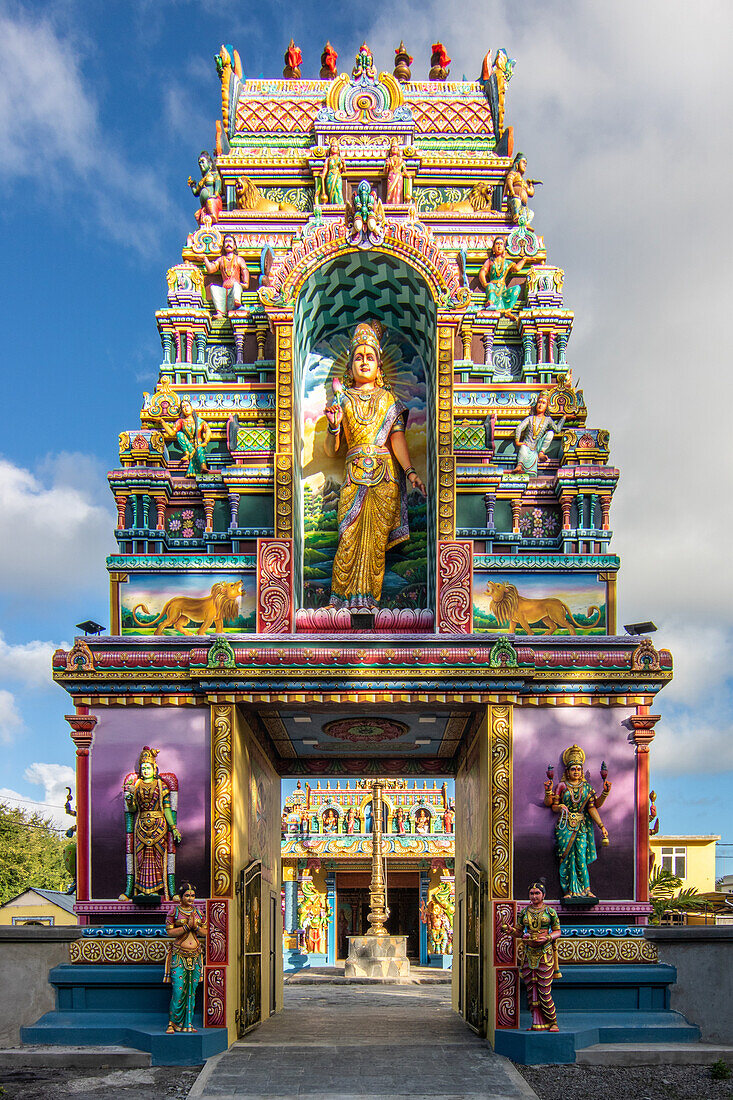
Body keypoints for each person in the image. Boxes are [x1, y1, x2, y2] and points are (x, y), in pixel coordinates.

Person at [324, 320, 426, 610]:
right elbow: (332, 449)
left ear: (380, 366)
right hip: (353, 474)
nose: (364, 362)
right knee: (348, 534)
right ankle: (339, 600)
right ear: (350, 365)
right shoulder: (342, 399)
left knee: (376, 544)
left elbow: (397, 440)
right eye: (358, 357)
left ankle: (369, 601)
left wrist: (411, 472)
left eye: (370, 357)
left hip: (384, 477)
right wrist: (334, 426)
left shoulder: (388, 400)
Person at [544, 744, 611, 898]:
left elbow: (593, 807)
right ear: (568, 771)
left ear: (581, 771)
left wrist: (601, 826)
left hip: (581, 827)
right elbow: (552, 805)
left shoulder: (587, 788)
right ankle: (568, 890)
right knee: (566, 857)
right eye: (573, 769)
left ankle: (586, 889)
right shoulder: (561, 786)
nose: (576, 772)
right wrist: (560, 807)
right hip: (564, 827)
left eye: (579, 769)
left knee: (580, 856)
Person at [120, 747, 180, 902]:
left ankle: (158, 890)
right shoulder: (136, 785)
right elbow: (133, 809)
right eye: (143, 767)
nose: (146, 770)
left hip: (159, 825)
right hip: (140, 825)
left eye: (148, 767)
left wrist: (173, 828)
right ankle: (141, 891)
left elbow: (167, 809)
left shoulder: (162, 786)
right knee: (141, 857)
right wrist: (129, 800)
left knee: (158, 858)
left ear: (155, 769)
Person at [501, 882, 562, 1031]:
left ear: (543, 895)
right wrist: (511, 931)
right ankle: (537, 1022)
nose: (534, 896)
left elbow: (557, 931)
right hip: (529, 954)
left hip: (545, 955)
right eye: (532, 893)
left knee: (544, 990)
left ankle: (553, 1022)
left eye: (537, 893)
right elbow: (520, 933)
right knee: (531, 989)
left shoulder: (550, 912)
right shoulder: (524, 913)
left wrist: (547, 938)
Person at [164, 883, 206, 1033]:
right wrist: (186, 927)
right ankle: (172, 1023)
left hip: (195, 955)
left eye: (193, 895)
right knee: (178, 989)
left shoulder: (199, 913)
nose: (190, 898)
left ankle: (188, 1023)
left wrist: (197, 928)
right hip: (179, 954)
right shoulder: (173, 912)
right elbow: (170, 932)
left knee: (191, 991)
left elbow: (206, 932)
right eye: (187, 895)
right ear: (180, 897)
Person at [154, 397, 212, 477]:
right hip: (188, 446)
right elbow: (172, 433)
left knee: (199, 449)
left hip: (198, 445)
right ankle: (187, 454)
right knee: (179, 434)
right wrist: (162, 422)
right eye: (183, 407)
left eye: (187, 406)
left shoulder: (199, 421)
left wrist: (205, 442)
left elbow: (208, 430)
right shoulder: (181, 422)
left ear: (191, 408)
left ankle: (203, 466)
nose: (186, 408)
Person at [513, 391, 562, 477]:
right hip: (527, 444)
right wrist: (517, 441)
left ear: (546, 406)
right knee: (523, 448)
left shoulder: (548, 420)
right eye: (539, 402)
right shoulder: (530, 418)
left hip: (537, 446)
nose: (540, 405)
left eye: (543, 403)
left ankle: (541, 453)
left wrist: (564, 418)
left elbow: (557, 429)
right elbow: (519, 428)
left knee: (551, 433)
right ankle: (519, 466)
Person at [478, 237, 528, 319]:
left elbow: (516, 268)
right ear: (493, 248)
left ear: (504, 248)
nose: (499, 246)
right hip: (493, 287)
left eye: (501, 244)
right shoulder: (490, 261)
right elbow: (483, 271)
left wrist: (524, 260)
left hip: (503, 290)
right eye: (497, 244)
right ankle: (491, 303)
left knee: (517, 288)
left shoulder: (507, 262)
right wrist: (484, 283)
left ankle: (508, 310)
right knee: (490, 286)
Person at [202, 234, 250, 318]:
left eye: (230, 241)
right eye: (226, 242)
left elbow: (244, 270)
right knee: (213, 287)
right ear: (223, 246)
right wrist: (205, 259)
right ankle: (220, 312)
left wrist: (245, 283)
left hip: (235, 286)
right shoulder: (221, 260)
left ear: (235, 246)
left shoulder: (239, 259)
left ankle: (237, 303)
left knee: (236, 285)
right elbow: (210, 269)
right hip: (224, 288)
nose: (228, 243)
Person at [188, 152, 223, 226]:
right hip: (204, 206)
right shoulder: (202, 181)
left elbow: (218, 184)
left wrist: (215, 194)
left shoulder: (214, 175)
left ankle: (212, 219)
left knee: (210, 203)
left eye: (203, 162)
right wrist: (192, 185)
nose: (201, 164)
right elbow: (196, 193)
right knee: (197, 215)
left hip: (213, 201)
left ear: (210, 164)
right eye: (199, 163)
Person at [503, 153, 537, 225]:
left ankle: (526, 224)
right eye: (523, 162)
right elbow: (509, 181)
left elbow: (530, 193)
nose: (525, 165)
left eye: (526, 164)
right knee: (516, 201)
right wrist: (512, 192)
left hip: (523, 205)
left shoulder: (524, 182)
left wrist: (531, 185)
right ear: (517, 164)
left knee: (531, 213)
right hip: (513, 200)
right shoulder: (513, 174)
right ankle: (516, 216)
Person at [320, 139, 345, 204]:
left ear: (338, 149)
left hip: (337, 175)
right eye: (332, 146)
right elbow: (326, 168)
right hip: (330, 176)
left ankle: (339, 204)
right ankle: (332, 203)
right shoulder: (328, 159)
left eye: (335, 146)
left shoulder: (339, 159)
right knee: (331, 191)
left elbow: (344, 170)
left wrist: (343, 163)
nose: (334, 147)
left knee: (338, 190)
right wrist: (323, 174)